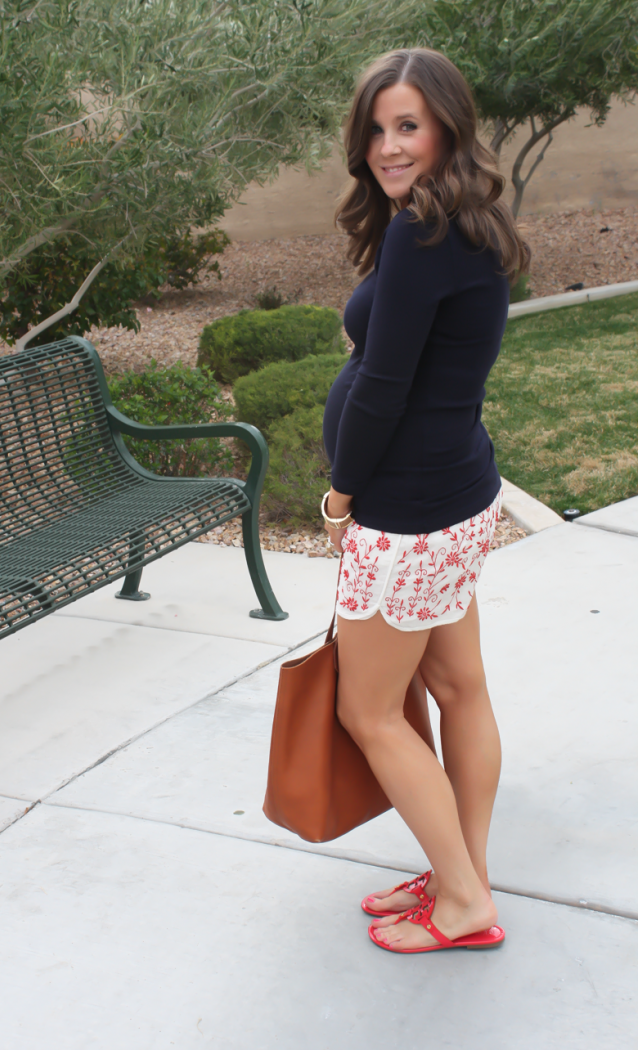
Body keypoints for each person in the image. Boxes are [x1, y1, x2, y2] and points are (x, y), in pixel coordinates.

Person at [322, 47, 530, 954]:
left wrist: (338, 494)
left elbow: (380, 388)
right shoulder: (472, 219)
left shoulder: (420, 234)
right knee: (457, 687)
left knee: (367, 712)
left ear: (447, 123)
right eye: (375, 127)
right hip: (457, 492)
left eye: (407, 124)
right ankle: (462, 876)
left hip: (406, 509)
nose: (386, 145)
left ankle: (461, 905)